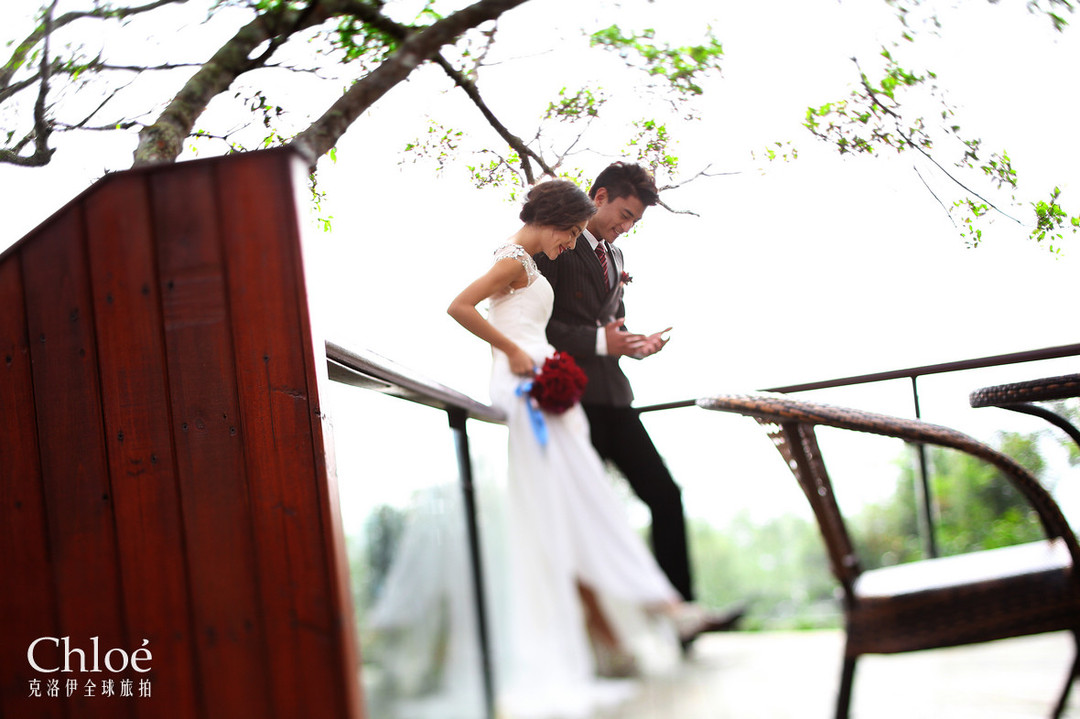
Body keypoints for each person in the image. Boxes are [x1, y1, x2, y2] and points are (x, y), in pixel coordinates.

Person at [447, 179, 711, 717]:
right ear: (553, 219)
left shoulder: (529, 260)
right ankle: (654, 609)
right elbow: (459, 306)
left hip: (547, 382)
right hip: (525, 382)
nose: (570, 244)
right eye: (570, 233)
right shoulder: (514, 261)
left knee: (585, 499)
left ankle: (645, 612)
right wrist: (513, 352)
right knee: (575, 502)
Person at [533, 162, 743, 646]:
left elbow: (613, 325)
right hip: (571, 402)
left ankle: (682, 617)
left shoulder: (617, 253)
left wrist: (637, 344)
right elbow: (539, 325)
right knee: (589, 515)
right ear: (600, 197)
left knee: (665, 495)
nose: (626, 227)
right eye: (625, 215)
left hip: (616, 398)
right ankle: (598, 631)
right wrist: (601, 342)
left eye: (634, 221)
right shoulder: (557, 246)